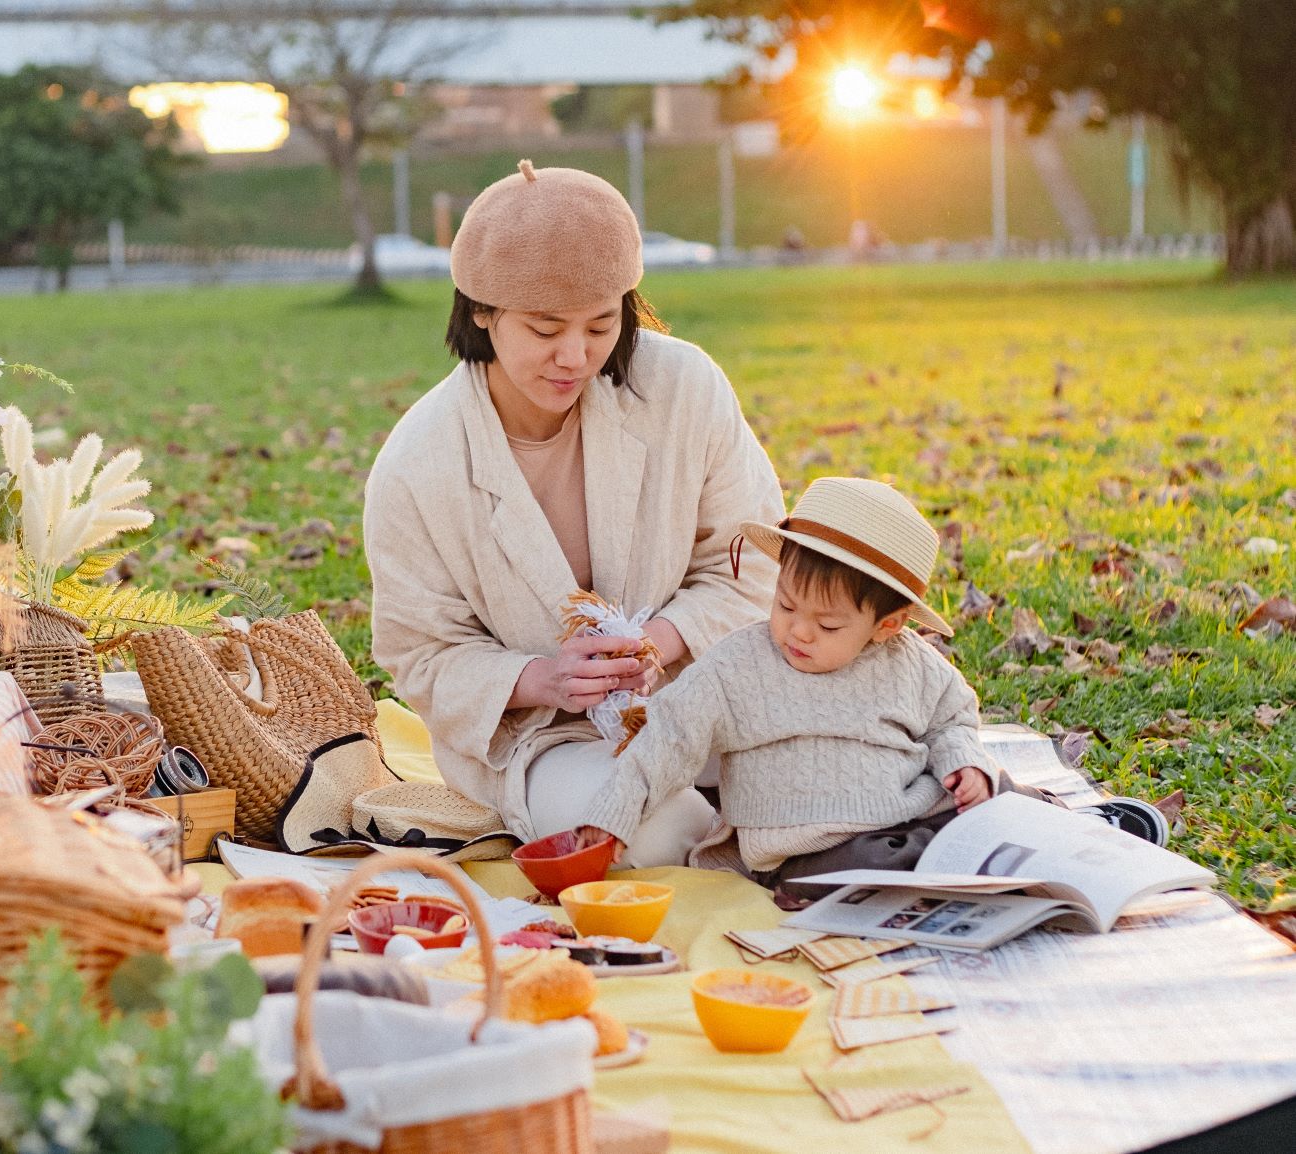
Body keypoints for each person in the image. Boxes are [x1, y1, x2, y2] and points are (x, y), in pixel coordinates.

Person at [363, 160, 785, 867]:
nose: (575, 357)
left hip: (707, 692)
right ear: (480, 311)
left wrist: (662, 639)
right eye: (545, 328)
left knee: (832, 782)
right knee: (654, 835)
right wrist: (544, 679)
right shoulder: (416, 466)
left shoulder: (685, 388)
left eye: (600, 325)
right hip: (546, 737)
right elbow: (421, 654)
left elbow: (755, 565)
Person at [576, 477, 1172, 897]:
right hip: (808, 849)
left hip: (915, 806)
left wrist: (967, 765)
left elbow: (952, 720)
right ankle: (1011, 850)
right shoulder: (738, 668)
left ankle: (1078, 831)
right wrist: (612, 818)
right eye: (786, 605)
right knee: (866, 869)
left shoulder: (910, 664)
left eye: (829, 623)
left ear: (886, 626)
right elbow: (667, 739)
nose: (798, 631)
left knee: (991, 799)